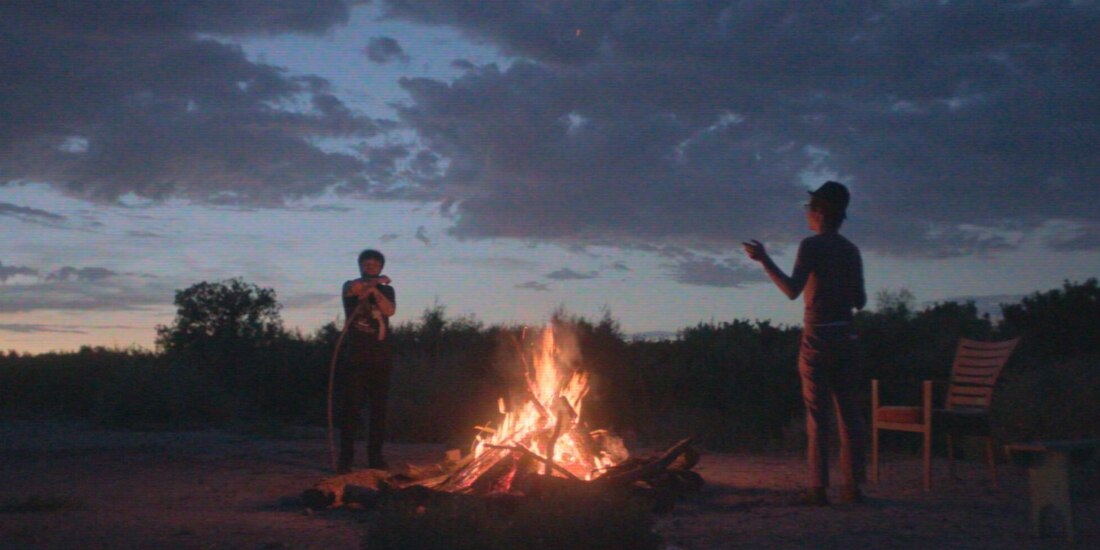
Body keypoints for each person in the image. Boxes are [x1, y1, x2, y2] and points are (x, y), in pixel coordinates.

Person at [743, 181, 867, 505]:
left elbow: (792, 289)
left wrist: (764, 260)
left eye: (809, 208)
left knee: (817, 413)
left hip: (818, 338)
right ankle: (853, 487)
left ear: (820, 212)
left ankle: (818, 488)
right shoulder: (851, 250)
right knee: (850, 414)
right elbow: (861, 300)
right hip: (847, 337)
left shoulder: (811, 246)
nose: (807, 215)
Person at [337, 249, 396, 473]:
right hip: (356, 356)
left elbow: (389, 311)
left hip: (381, 358)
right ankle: (346, 458)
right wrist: (373, 283)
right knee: (351, 409)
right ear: (361, 265)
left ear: (380, 266)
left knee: (378, 410)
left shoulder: (387, 289)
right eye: (367, 264)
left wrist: (375, 289)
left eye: (375, 264)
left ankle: (375, 457)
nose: (371, 266)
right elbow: (353, 290)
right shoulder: (350, 285)